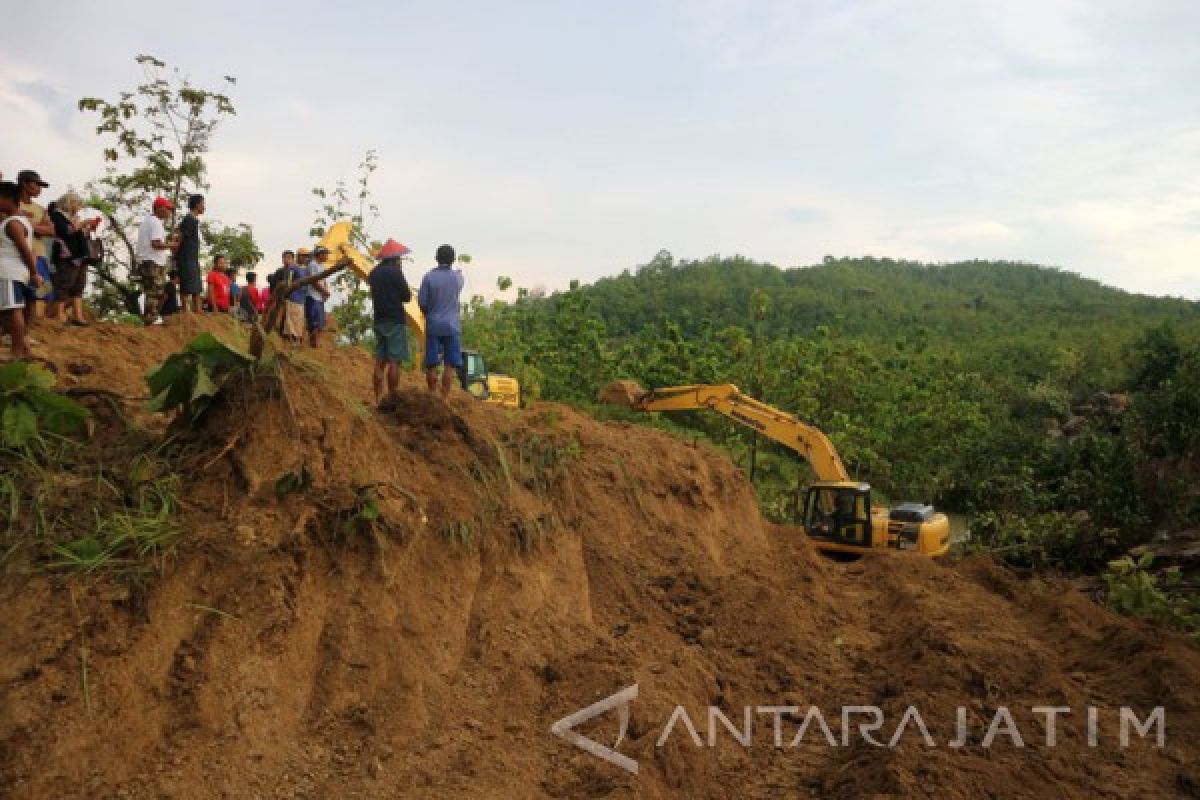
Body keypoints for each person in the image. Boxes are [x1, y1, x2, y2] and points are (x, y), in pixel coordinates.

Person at [366, 239, 413, 406]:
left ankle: (378, 399)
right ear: (394, 259)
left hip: (379, 320)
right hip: (395, 320)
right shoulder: (395, 272)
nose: (400, 261)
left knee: (380, 362)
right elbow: (407, 297)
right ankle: (392, 398)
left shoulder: (374, 274)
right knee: (395, 362)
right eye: (399, 258)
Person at [0, 181, 42, 360]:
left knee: (13, 310)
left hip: (10, 272)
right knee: (7, 310)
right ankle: (23, 346)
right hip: (16, 271)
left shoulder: (13, 224)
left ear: (8, 199)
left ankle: (17, 351)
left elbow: (25, 250)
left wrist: (34, 273)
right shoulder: (21, 221)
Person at [417, 244, 465, 397]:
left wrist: (429, 314)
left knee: (431, 365)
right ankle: (444, 398)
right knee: (449, 366)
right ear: (453, 259)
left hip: (433, 324)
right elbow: (460, 280)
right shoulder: (457, 278)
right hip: (452, 326)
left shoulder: (428, 277)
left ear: (436, 259)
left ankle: (432, 397)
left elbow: (422, 302)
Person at [47, 190, 100, 326]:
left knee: (79, 286)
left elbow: (78, 233)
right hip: (66, 255)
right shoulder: (56, 215)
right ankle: (59, 315)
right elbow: (66, 231)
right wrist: (83, 224)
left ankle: (78, 315)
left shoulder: (74, 217)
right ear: (69, 203)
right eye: (77, 204)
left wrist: (88, 228)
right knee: (64, 284)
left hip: (80, 256)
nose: (79, 207)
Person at [17, 170, 55, 323]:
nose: (40, 188)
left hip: (39, 254)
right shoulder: (10, 203)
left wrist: (25, 224)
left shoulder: (41, 209)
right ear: (25, 183)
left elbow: (51, 230)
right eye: (37, 184)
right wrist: (39, 227)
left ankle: (25, 334)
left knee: (34, 295)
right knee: (15, 293)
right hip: (17, 254)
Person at [135, 196, 177, 324]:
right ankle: (151, 319)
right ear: (159, 208)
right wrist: (171, 245)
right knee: (155, 292)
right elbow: (156, 244)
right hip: (152, 261)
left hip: (147, 260)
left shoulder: (148, 221)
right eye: (167, 208)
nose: (169, 211)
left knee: (152, 291)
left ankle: (150, 318)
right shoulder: (155, 222)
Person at [176, 194, 204, 313]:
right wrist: (175, 254)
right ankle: (185, 312)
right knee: (187, 285)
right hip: (186, 258)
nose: (204, 207)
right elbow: (180, 238)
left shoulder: (194, 220)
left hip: (192, 258)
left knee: (196, 286)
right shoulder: (189, 219)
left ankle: (198, 310)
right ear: (197, 204)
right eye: (203, 203)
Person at [304, 245, 331, 348]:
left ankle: (318, 343)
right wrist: (324, 291)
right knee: (313, 321)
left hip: (319, 297)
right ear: (320, 254)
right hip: (312, 296)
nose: (327, 256)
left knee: (321, 322)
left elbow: (323, 280)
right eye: (326, 254)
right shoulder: (312, 265)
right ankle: (313, 342)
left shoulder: (322, 266)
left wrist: (326, 290)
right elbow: (313, 281)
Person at [281, 250, 306, 342]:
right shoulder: (292, 267)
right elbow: (288, 282)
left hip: (301, 298)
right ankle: (290, 339)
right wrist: (286, 295)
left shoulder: (303, 268)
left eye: (306, 256)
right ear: (298, 256)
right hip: (293, 297)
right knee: (291, 319)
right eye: (303, 256)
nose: (305, 258)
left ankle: (296, 339)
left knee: (298, 319)